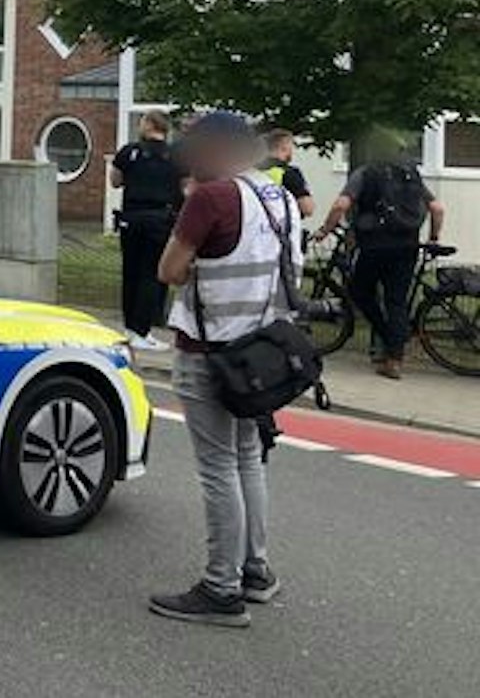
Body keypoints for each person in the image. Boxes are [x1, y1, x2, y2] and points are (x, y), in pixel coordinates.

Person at [149, 111, 299, 629]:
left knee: (217, 469)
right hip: (259, 352)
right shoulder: (276, 196)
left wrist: (195, 255)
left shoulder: (210, 198)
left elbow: (167, 270)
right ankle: (255, 570)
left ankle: (221, 587)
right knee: (247, 459)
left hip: (208, 351)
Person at [318, 135, 445, 380]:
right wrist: (433, 237)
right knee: (396, 301)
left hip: (374, 245)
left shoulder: (366, 173)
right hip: (407, 245)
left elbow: (340, 206)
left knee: (360, 292)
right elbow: (438, 208)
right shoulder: (411, 174)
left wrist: (325, 229)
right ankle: (394, 359)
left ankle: (389, 337)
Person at [111, 110, 183, 351]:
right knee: (151, 274)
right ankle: (143, 330)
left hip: (130, 217)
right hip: (160, 219)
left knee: (130, 271)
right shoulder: (176, 156)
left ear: (149, 125)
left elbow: (115, 180)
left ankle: (130, 327)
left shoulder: (129, 152)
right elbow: (184, 188)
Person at [257, 129, 315, 220]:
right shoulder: (290, 173)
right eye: (291, 147)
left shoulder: (251, 172)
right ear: (284, 148)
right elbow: (307, 209)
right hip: (281, 229)